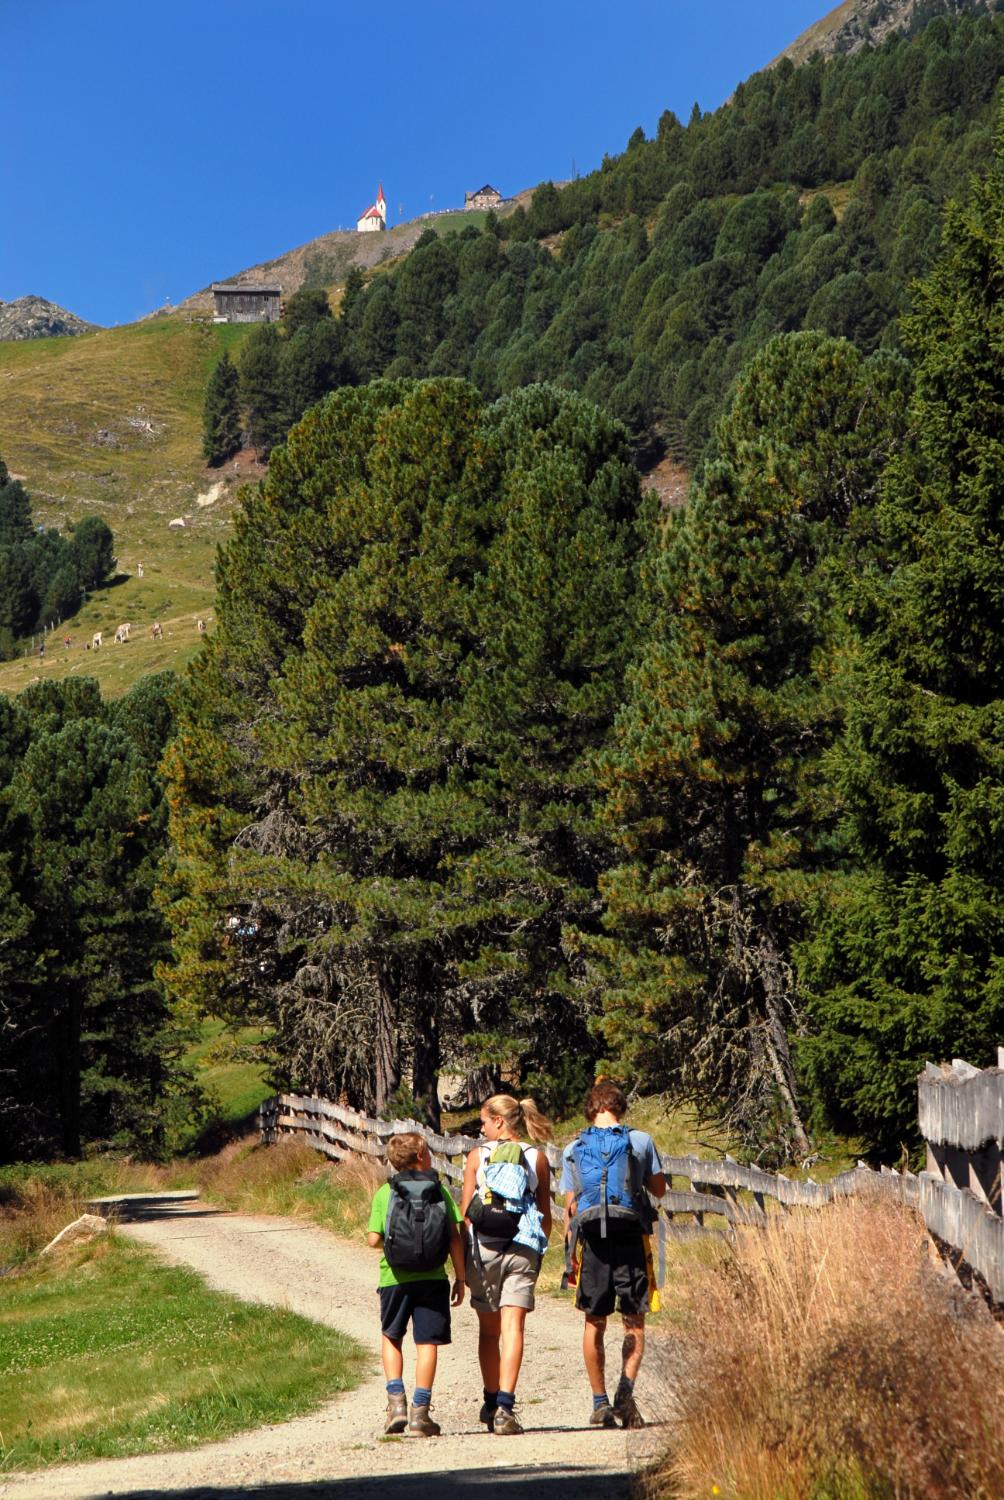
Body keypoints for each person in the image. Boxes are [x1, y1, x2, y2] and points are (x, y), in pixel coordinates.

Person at [560, 1080, 666, 1429]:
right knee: (634, 1318)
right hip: (631, 1238)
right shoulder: (640, 1141)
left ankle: (599, 1402)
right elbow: (659, 1191)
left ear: (591, 1110)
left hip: (592, 1242)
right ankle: (625, 1392)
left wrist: (569, 1256)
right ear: (621, 1108)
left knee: (594, 1320)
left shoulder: (574, 1147)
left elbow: (571, 1207)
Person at [461, 1094, 553, 1435]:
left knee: (489, 1330)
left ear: (500, 1122)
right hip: (522, 1248)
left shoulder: (477, 1156)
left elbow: (465, 1212)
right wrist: (536, 1251)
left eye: (484, 1122)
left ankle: (489, 1399)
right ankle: (505, 1407)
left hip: (483, 1249)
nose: (481, 1128)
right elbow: (545, 1215)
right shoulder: (536, 1157)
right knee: (514, 1328)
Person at [367, 1132, 466, 1437]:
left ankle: (396, 1405)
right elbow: (454, 1237)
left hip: (393, 1278)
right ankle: (420, 1413)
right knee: (427, 1344)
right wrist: (461, 1278)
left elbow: (373, 1239)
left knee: (391, 1337)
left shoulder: (386, 1193)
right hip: (433, 1278)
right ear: (422, 1156)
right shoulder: (440, 1191)